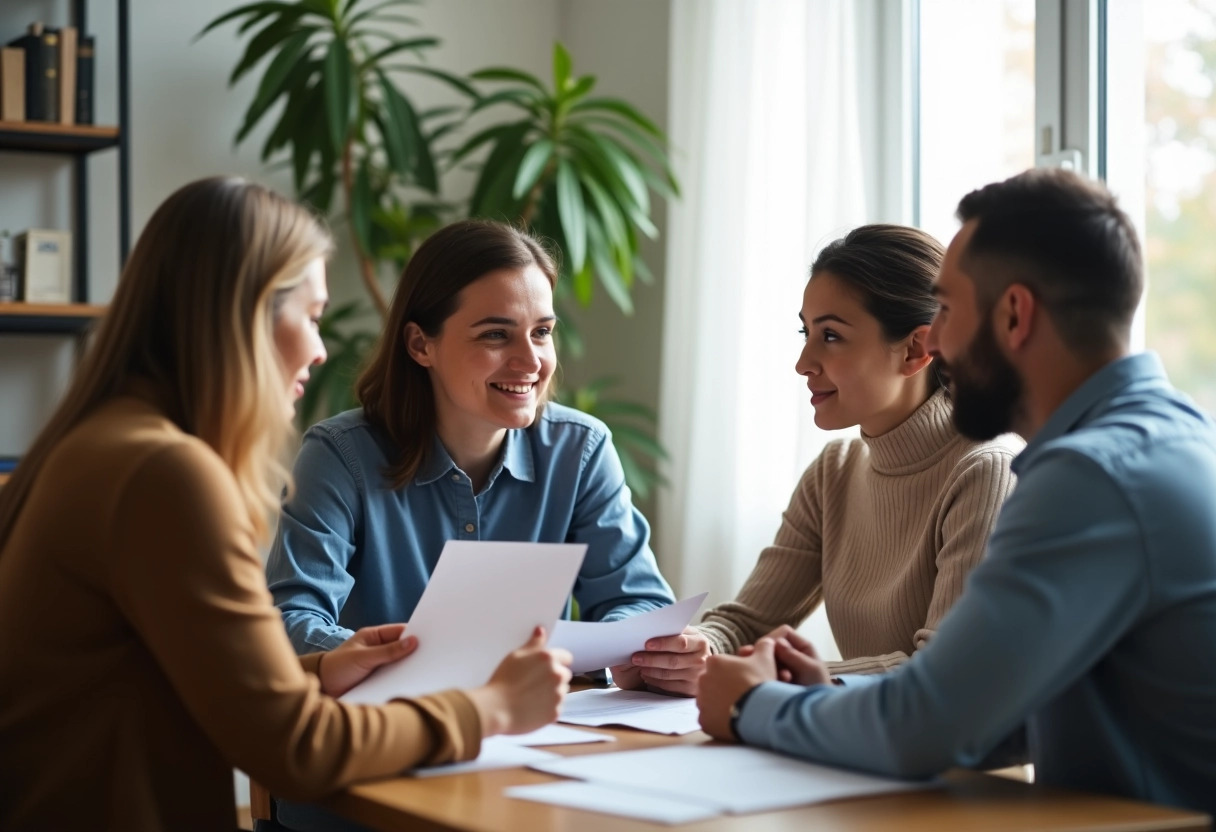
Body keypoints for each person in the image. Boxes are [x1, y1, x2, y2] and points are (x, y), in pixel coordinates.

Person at [0, 178, 572, 832]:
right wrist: (488, 707)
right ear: (244, 316)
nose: (321, 348)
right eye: (313, 315)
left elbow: (160, 672)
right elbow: (297, 750)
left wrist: (321, 667)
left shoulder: (99, 443)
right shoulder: (165, 474)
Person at [698, 168, 1216, 814]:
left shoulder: (1092, 477)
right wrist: (819, 697)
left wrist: (753, 705)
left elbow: (926, 728)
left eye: (946, 310)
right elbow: (999, 717)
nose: (934, 343)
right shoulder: (1162, 441)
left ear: (1015, 315)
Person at [264, 218, 677, 827]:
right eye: (495, 334)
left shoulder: (581, 449)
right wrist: (366, 656)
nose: (530, 360)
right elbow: (288, 621)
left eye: (542, 332)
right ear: (419, 345)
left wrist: (650, 654)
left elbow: (635, 604)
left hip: (525, 778)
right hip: (369, 784)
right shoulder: (342, 455)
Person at [628, 225, 1020, 695]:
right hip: (861, 744)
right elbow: (748, 622)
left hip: (942, 761)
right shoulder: (834, 471)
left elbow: (947, 670)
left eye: (831, 335)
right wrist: (699, 650)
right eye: (806, 331)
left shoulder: (987, 470)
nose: (803, 361)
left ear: (917, 349)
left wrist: (795, 678)